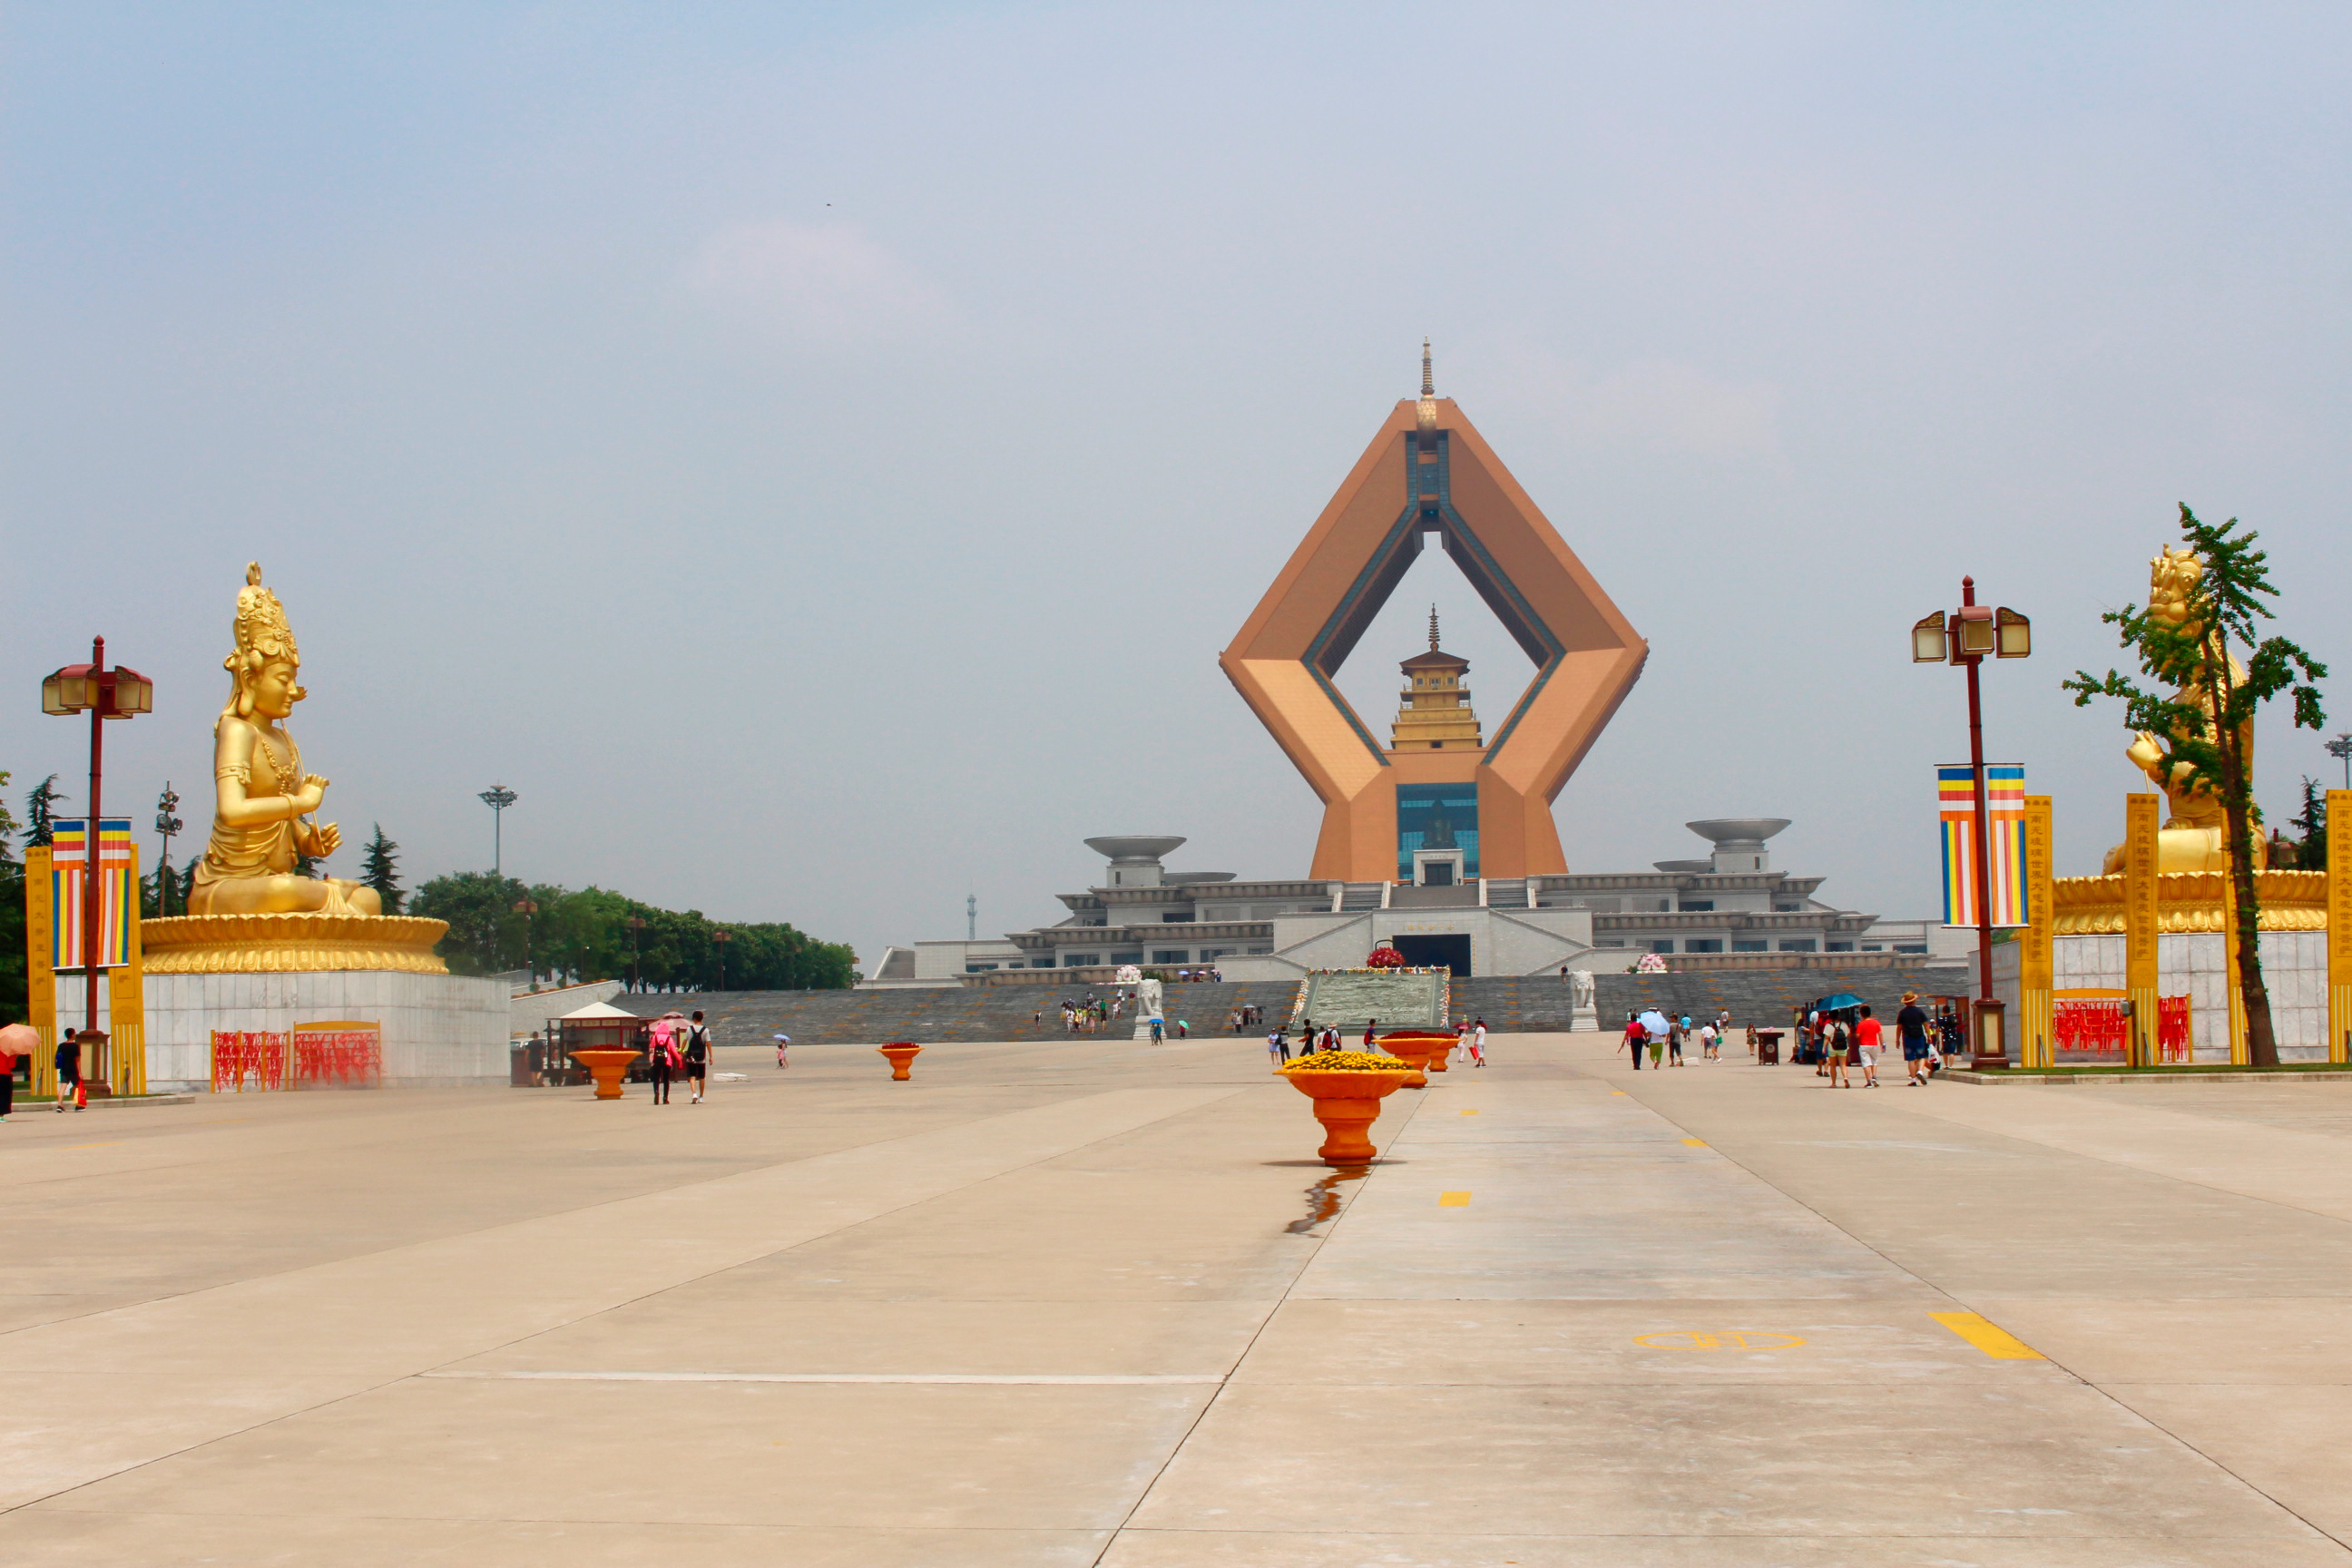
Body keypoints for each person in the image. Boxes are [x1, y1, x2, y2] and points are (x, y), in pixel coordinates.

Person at [1897, 992, 1934, 1085]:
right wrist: (1929, 1035)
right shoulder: (1919, 1011)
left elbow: (1899, 1027)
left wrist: (1897, 1039)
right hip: (1919, 1036)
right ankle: (1920, 1072)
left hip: (1907, 1037)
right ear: (1914, 1001)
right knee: (1921, 1056)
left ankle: (1913, 1080)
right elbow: (1926, 1024)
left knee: (1910, 1059)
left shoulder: (1902, 1012)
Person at [683, 1010, 711, 1103]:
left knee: (692, 1076)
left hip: (691, 1056)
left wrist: (681, 1051)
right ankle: (701, 1096)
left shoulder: (689, 1029)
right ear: (702, 1018)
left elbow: (685, 1041)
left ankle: (694, 1094)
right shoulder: (705, 1030)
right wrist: (711, 1056)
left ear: (694, 1019)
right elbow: (708, 1043)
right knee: (702, 1077)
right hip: (701, 1057)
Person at [648, 1019, 677, 1103]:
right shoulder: (669, 1039)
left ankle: (656, 1092)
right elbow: (673, 1051)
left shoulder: (655, 1038)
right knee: (666, 1079)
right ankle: (665, 1098)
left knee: (656, 1078)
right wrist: (679, 1059)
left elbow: (652, 1047)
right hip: (666, 1061)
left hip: (656, 1060)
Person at [1855, 1005, 1883, 1087]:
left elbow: (1857, 1035)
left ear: (1861, 1014)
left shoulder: (1861, 1024)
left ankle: (1869, 1081)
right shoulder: (1876, 1022)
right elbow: (1880, 1034)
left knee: (1866, 1063)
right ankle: (1874, 1076)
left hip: (1864, 1045)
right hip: (1874, 1044)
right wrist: (1882, 1044)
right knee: (1874, 1061)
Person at [54, 1028, 81, 1112]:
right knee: (77, 1087)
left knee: (63, 1087)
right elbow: (77, 1060)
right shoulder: (75, 1046)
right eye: (74, 1033)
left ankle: (59, 1105)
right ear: (72, 1035)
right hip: (73, 1069)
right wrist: (80, 1072)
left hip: (64, 1069)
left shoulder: (61, 1046)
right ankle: (77, 1105)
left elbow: (58, 1057)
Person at [1824, 1013, 1851, 1088]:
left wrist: (1824, 1048)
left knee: (1833, 1066)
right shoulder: (1844, 1025)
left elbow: (1826, 1038)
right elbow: (1848, 1035)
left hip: (1832, 1048)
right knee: (1843, 1065)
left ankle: (1833, 1083)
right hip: (1843, 1047)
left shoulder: (1828, 1026)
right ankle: (1845, 1078)